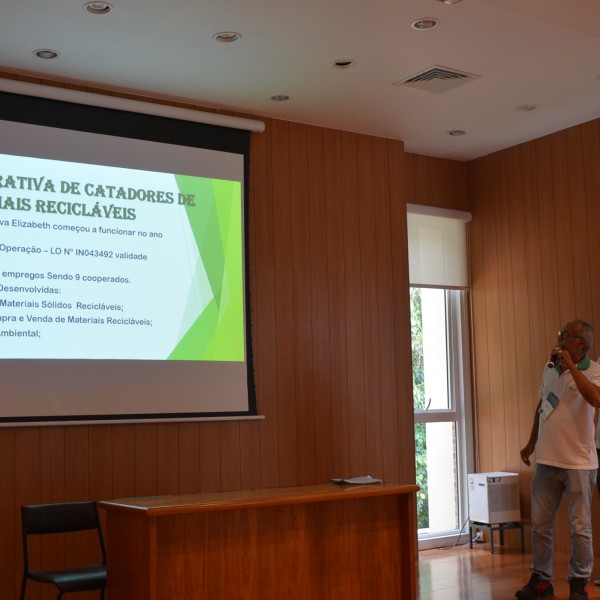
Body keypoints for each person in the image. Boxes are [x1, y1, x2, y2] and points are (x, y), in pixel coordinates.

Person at [516, 320, 600, 600]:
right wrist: (531, 442)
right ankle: (542, 579)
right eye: (560, 334)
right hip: (547, 461)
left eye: (567, 335)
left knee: (580, 528)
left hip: (579, 463)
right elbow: (543, 405)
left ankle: (579, 582)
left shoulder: (596, 371)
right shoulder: (550, 369)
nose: (561, 339)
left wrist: (572, 368)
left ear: (582, 343)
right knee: (540, 525)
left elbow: (596, 399)